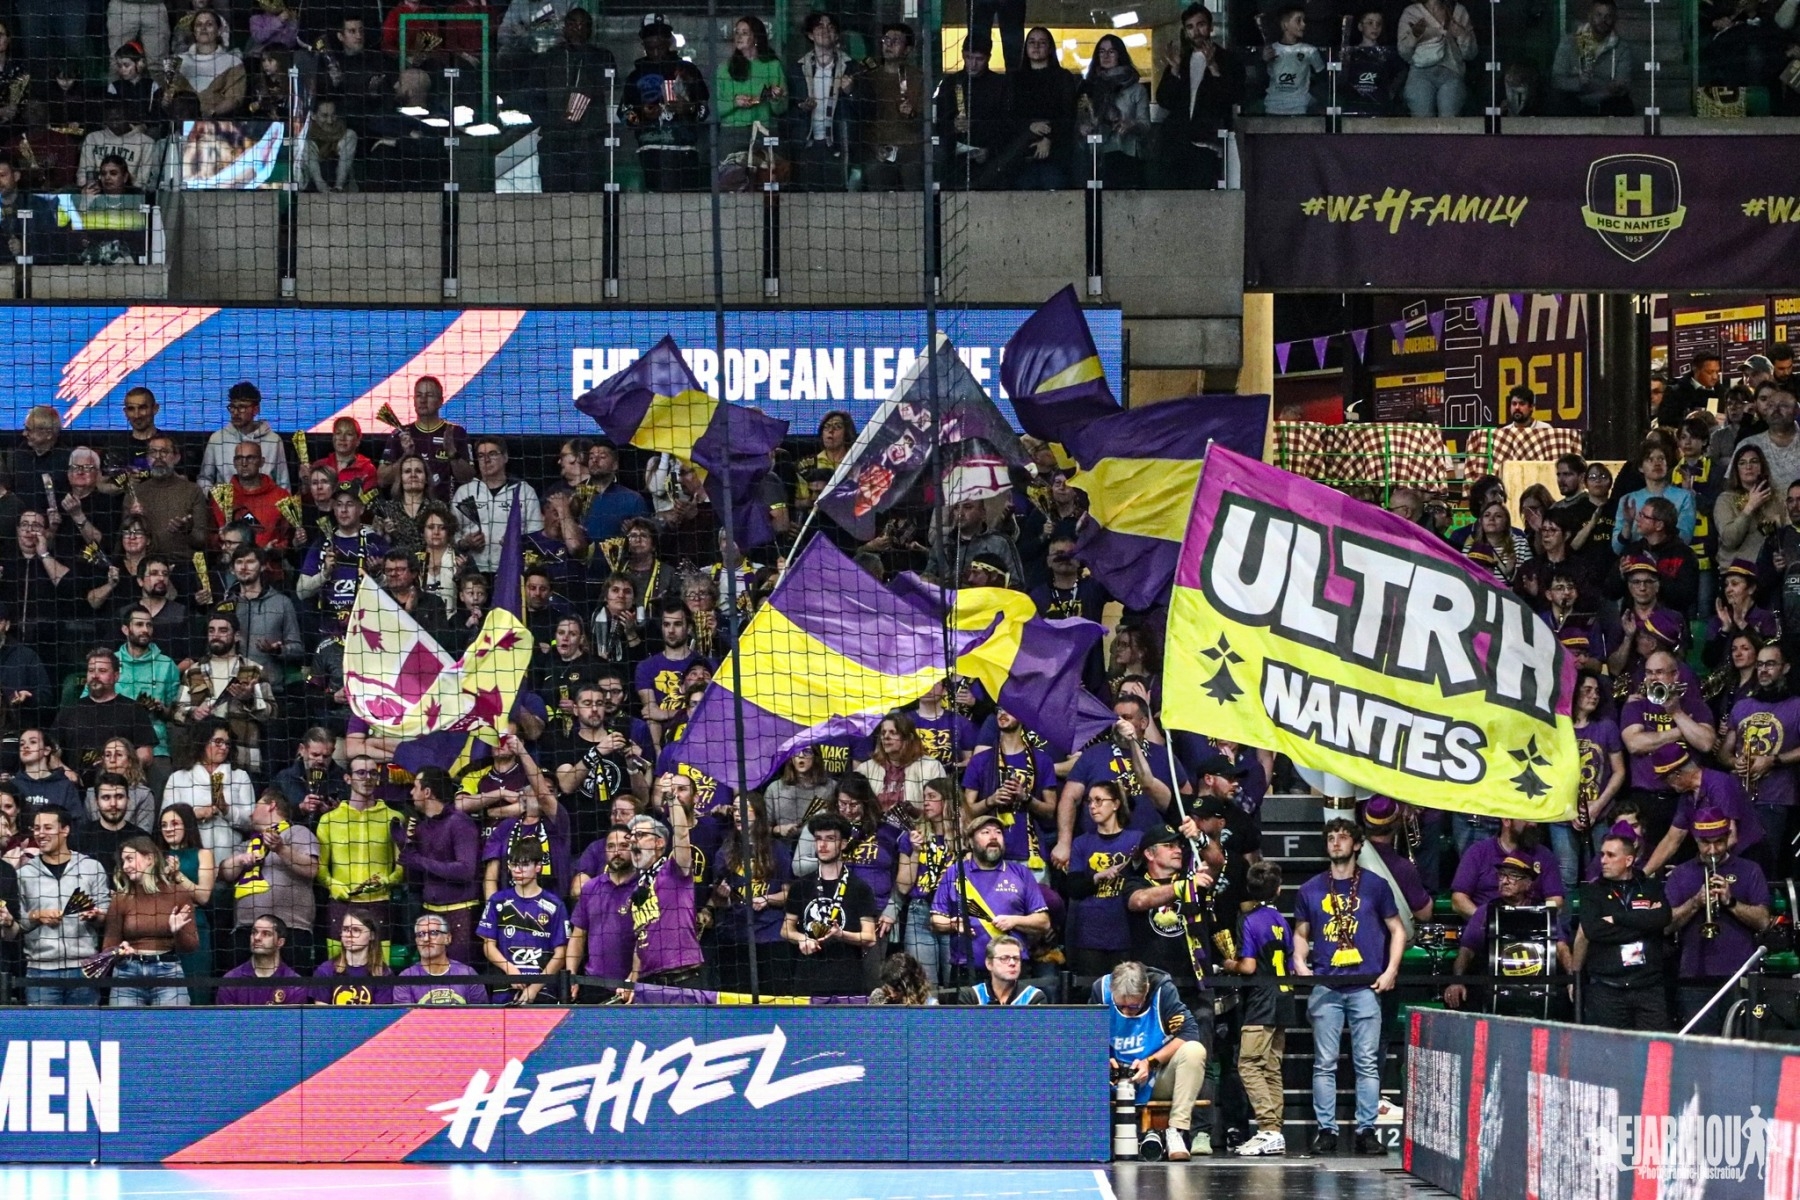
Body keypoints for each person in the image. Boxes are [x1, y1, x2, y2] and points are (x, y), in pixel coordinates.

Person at [1293, 819, 1404, 1157]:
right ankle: (1326, 1131)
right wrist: (1299, 961)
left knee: (1366, 1062)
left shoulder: (1375, 885)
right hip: (1327, 984)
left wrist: (1391, 970)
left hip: (1365, 984)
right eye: (1330, 837)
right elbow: (1301, 933)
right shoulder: (1311, 888)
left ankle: (1366, 1130)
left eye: (1342, 837)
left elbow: (1398, 930)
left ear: (1357, 845)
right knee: (1324, 1062)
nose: (1336, 842)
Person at [1664, 807, 1771, 1034]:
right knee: (1701, 1049)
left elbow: (1763, 921)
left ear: (1728, 836)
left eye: (1719, 842)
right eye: (1705, 843)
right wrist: (1695, 903)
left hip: (1739, 974)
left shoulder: (1749, 870)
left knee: (1741, 1044)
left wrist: (1731, 902)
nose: (1712, 850)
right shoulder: (1681, 874)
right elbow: (1665, 926)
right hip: (1695, 977)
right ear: (1695, 839)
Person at [1094, 960, 1210, 1162]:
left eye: (1133, 1006)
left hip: (1155, 1077)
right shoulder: (1101, 991)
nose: (1127, 1012)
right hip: (1113, 1080)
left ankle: (1176, 1131)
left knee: (1194, 1051)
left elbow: (1189, 1033)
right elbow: (1087, 1038)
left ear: (1146, 989)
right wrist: (1103, 1060)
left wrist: (1150, 1062)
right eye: (1121, 1006)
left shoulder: (1163, 991)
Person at [7, 806, 111, 1006]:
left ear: (65, 830)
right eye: (37, 828)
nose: (40, 834)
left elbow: (106, 915)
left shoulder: (91, 867)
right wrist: (37, 916)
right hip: (40, 971)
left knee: (84, 1026)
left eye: (48, 828)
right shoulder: (24, 874)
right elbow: (17, 924)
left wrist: (96, 915)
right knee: (44, 1027)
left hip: (84, 968)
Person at [1574, 829, 1670, 1030]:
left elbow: (1662, 918)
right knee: (1612, 1048)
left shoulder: (1650, 887)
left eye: (1611, 855)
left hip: (1648, 989)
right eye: (1602, 854)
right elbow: (1593, 930)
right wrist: (1645, 924)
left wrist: (1617, 918)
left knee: (1654, 1047)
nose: (1603, 861)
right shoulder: (1592, 892)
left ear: (1628, 860)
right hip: (1607, 989)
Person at [1231, 861, 1294, 1157]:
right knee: (1271, 1066)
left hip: (1262, 1000)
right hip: (1284, 996)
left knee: (1248, 1064)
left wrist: (1228, 964)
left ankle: (1267, 1128)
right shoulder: (1281, 919)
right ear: (1278, 890)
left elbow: (1248, 966)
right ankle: (1275, 1132)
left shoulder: (1250, 920)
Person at [219, 791, 320, 970]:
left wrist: (280, 848)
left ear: (271, 805)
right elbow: (225, 873)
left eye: (256, 806)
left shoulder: (297, 832)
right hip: (246, 930)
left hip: (289, 929)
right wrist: (240, 860)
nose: (251, 814)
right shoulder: (248, 844)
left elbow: (311, 868)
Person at [784, 813, 879, 996]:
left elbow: (870, 937)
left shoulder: (860, 888)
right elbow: (786, 929)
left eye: (830, 839)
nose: (822, 845)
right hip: (806, 979)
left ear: (843, 844)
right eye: (818, 839)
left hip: (847, 980)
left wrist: (841, 934)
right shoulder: (800, 887)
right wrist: (802, 938)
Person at [316, 752, 401, 954]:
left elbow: (402, 866)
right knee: (338, 966)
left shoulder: (394, 818)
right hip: (341, 905)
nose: (368, 778)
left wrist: (387, 881)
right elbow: (319, 866)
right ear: (348, 778)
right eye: (361, 773)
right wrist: (332, 884)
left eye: (373, 773)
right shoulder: (329, 820)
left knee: (380, 966)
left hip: (379, 904)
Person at [101, 835, 198, 1006]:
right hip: (127, 975)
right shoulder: (121, 899)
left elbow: (191, 947)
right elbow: (107, 949)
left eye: (130, 859)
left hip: (168, 973)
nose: (125, 866)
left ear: (149, 859)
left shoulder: (178, 893)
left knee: (175, 1024)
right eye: (123, 862)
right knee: (122, 1025)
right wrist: (119, 951)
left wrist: (178, 931)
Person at [1064, 781, 1144, 979]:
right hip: (1090, 934)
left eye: (1099, 800)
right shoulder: (1082, 842)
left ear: (1115, 804)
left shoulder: (1136, 839)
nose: (1092, 806)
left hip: (1126, 931)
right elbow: (1073, 888)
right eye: (1090, 801)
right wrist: (1097, 877)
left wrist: (1136, 863)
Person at [619, 17, 709, 193]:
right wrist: (642, 115)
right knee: (653, 205)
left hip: (685, 152)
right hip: (649, 153)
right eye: (650, 37)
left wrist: (688, 108)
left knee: (686, 204)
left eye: (661, 36)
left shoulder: (687, 70)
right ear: (643, 43)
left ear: (669, 40)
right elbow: (624, 114)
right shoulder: (635, 76)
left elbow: (705, 110)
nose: (656, 42)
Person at [1441, 853, 1538, 1011]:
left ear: (1528, 883)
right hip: (1492, 983)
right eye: (1502, 875)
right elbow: (1466, 950)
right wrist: (1457, 981)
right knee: (1459, 997)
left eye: (1513, 876)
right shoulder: (1485, 911)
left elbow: (1561, 947)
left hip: (1535, 982)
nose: (1504, 881)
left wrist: (1572, 980)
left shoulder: (1542, 913)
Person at [478, 842, 570, 1003]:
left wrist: (534, 988)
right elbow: (488, 945)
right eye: (514, 864)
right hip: (504, 988)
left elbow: (561, 954)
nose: (517, 870)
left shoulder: (555, 905)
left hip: (543, 990)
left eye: (525, 864)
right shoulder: (497, 901)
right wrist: (510, 970)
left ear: (538, 866)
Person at [625, 809, 704, 989]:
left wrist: (671, 799)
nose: (633, 841)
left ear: (659, 842)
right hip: (649, 981)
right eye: (631, 837)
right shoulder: (638, 887)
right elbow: (641, 934)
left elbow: (682, 833)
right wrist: (633, 978)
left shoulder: (673, 870)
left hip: (682, 978)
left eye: (640, 835)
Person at [567, 825, 636, 1001]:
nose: (616, 852)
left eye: (623, 846)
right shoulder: (590, 888)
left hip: (633, 985)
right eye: (611, 846)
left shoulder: (643, 887)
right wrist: (571, 975)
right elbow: (578, 936)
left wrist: (633, 978)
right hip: (593, 985)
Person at [377, 376, 474, 500]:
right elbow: (382, 480)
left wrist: (452, 453)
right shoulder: (400, 434)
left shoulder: (455, 433)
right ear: (413, 400)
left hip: (444, 508)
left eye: (429, 395)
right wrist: (406, 456)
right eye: (419, 395)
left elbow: (468, 478)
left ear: (441, 401)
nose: (423, 400)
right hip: (409, 508)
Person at [933, 34, 1009, 190]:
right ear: (962, 55)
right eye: (969, 57)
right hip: (955, 154)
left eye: (979, 59)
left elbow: (1007, 125)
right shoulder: (951, 83)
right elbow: (939, 123)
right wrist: (953, 126)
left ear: (988, 58)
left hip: (991, 153)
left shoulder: (1000, 84)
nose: (973, 64)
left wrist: (989, 150)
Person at [857, 24, 925, 192]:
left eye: (896, 41)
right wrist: (874, 147)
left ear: (907, 49)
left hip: (911, 148)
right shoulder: (869, 77)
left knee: (913, 174)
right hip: (879, 147)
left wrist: (912, 114)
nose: (889, 44)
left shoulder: (918, 78)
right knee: (874, 172)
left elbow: (926, 121)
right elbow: (863, 120)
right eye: (886, 39)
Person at [1078, 35, 1148, 187]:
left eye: (1111, 51)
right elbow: (1079, 119)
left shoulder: (1136, 89)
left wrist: (1130, 125)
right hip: (1094, 154)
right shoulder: (1088, 87)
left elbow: (1145, 125)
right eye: (1102, 51)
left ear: (1120, 54)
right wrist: (1082, 127)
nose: (1106, 56)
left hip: (1125, 154)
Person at [1397, 0, 1478, 116]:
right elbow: (1403, 52)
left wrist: (1462, 34)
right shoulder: (1411, 12)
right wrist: (1414, 35)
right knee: (1422, 120)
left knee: (1449, 121)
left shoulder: (1458, 11)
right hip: (1420, 73)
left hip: (1451, 73)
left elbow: (1471, 54)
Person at [392, 913, 488, 1005]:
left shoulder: (468, 974)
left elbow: (482, 1014)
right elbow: (405, 1015)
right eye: (420, 934)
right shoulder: (406, 978)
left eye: (433, 933)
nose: (426, 939)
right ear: (416, 941)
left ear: (448, 938)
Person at [215, 914, 308, 1005]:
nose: (257, 938)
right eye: (254, 932)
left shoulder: (295, 985)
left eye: (266, 934)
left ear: (280, 942)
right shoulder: (231, 980)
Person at [73, 772, 150, 878]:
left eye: (119, 797)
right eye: (106, 798)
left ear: (128, 800)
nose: (113, 803)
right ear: (96, 802)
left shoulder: (142, 838)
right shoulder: (79, 837)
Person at [310, 909, 392, 1004]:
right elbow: (321, 1011)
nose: (349, 935)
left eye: (356, 930)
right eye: (345, 929)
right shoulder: (325, 970)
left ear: (372, 936)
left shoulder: (383, 973)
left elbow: (382, 1012)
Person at [1260, 5, 1324, 115]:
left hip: (1299, 107)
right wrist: (1263, 61)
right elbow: (1260, 80)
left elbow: (1322, 78)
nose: (1303, 24)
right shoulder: (1270, 50)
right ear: (1285, 25)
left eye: (1304, 20)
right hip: (1273, 107)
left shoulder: (1309, 50)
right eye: (1298, 20)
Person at [953, 932, 1045, 1004]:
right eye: (1004, 958)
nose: (1012, 963)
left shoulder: (1033, 997)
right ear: (989, 964)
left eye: (1016, 958)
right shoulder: (971, 996)